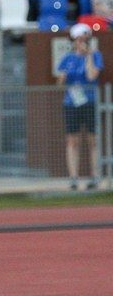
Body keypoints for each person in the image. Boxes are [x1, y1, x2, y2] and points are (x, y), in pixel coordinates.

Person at [57, 23, 104, 190]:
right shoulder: (67, 58)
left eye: (85, 39)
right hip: (72, 102)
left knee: (92, 140)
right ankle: (74, 177)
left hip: (90, 101)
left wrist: (88, 55)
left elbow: (92, 76)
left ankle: (95, 176)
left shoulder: (95, 55)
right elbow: (60, 82)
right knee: (72, 140)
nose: (82, 42)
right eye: (79, 39)